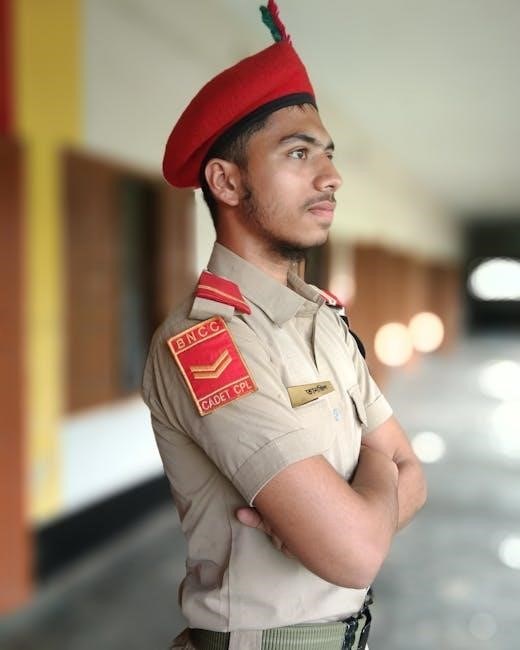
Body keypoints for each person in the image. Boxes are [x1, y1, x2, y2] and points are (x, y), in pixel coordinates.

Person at [141, 2, 427, 648]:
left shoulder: (322, 319)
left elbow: (415, 473)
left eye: (328, 154)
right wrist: (374, 479)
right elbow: (356, 553)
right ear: (226, 182)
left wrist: (356, 506)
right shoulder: (207, 343)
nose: (333, 177)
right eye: (299, 153)